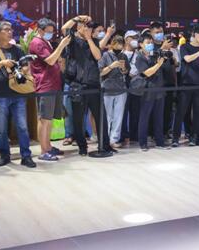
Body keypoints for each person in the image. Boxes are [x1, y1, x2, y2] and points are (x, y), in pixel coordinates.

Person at [0, 21, 36, 168]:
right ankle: (4, 155)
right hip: (0, 95)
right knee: (1, 129)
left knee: (22, 127)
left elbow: (26, 67)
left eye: (11, 29)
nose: (10, 32)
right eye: (6, 30)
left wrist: (21, 70)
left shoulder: (17, 49)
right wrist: (2, 63)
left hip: (18, 93)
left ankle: (26, 156)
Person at [62, 16, 113, 156]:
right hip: (77, 85)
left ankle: (105, 145)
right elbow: (64, 28)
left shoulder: (93, 41)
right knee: (78, 119)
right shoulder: (72, 40)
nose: (88, 29)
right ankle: (82, 147)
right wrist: (77, 18)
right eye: (85, 26)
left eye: (90, 28)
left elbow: (98, 56)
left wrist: (89, 38)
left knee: (101, 116)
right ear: (79, 27)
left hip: (94, 84)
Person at [29, 18, 71, 161]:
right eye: (48, 32)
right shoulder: (37, 43)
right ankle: (43, 151)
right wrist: (62, 45)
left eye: (52, 32)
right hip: (45, 85)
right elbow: (51, 60)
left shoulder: (45, 42)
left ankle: (48, 146)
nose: (50, 34)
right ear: (39, 30)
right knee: (44, 119)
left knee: (50, 119)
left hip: (53, 84)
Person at [172, 25, 199, 147]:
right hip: (186, 84)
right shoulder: (185, 47)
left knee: (198, 112)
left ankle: (195, 137)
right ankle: (175, 138)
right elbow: (187, 59)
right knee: (181, 111)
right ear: (195, 34)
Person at [134, 33, 170, 151]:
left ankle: (160, 142)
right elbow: (147, 73)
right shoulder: (139, 57)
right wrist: (159, 64)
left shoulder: (155, 54)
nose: (150, 45)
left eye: (151, 43)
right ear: (141, 44)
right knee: (144, 117)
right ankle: (143, 143)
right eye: (147, 43)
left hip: (159, 89)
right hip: (147, 90)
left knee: (159, 117)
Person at [98, 35, 129, 148]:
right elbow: (101, 72)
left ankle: (114, 139)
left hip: (121, 89)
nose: (119, 48)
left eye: (121, 46)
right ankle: (105, 139)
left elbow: (126, 72)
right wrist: (111, 66)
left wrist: (123, 68)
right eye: (117, 45)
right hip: (107, 90)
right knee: (107, 117)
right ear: (112, 44)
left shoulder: (123, 56)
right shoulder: (105, 55)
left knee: (118, 117)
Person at [121, 30, 140, 146]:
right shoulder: (120, 53)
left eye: (137, 38)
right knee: (122, 113)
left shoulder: (139, 54)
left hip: (136, 87)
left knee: (135, 112)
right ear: (127, 39)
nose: (136, 40)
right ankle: (122, 135)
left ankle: (134, 135)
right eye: (133, 38)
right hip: (122, 87)